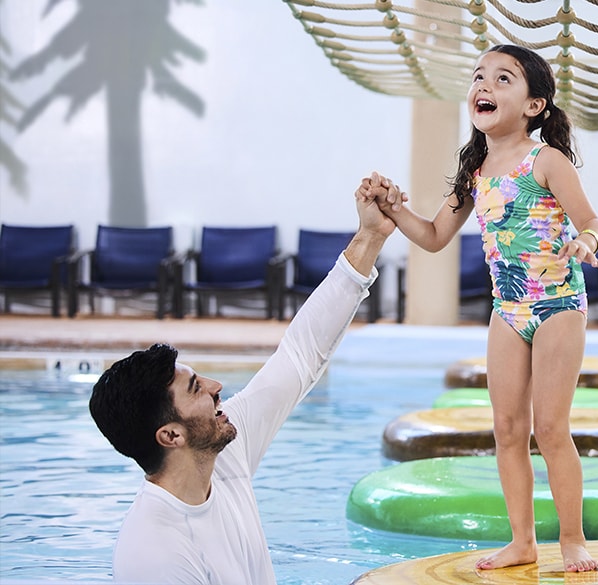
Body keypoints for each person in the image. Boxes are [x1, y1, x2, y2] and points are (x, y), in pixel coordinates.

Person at [358, 44, 598, 573]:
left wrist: (585, 241)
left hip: (558, 303)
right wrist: (392, 207)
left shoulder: (547, 160)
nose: (484, 86)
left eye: (503, 79)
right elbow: (432, 236)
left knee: (551, 428)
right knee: (508, 429)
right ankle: (522, 541)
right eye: (479, 77)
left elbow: (592, 221)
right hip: (508, 309)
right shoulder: (475, 168)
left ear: (534, 105)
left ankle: (572, 538)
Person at [88, 193, 396, 584]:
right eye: (196, 388)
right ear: (170, 435)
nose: (217, 388)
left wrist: (369, 237)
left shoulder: (222, 455)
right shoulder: (156, 555)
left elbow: (301, 354)